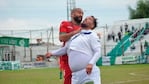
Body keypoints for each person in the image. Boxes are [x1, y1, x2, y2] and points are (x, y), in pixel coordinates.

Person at [46, 16, 101, 84]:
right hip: (75, 75)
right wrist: (52, 53)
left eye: (89, 19)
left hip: (88, 73)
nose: (86, 19)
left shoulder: (92, 35)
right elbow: (65, 49)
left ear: (92, 25)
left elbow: (98, 51)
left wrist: (91, 63)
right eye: (85, 18)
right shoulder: (74, 37)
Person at [58, 8, 84, 84]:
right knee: (69, 79)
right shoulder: (65, 24)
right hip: (68, 58)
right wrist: (75, 32)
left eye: (82, 13)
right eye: (79, 13)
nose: (81, 15)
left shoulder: (84, 27)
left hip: (82, 57)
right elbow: (61, 38)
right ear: (72, 14)